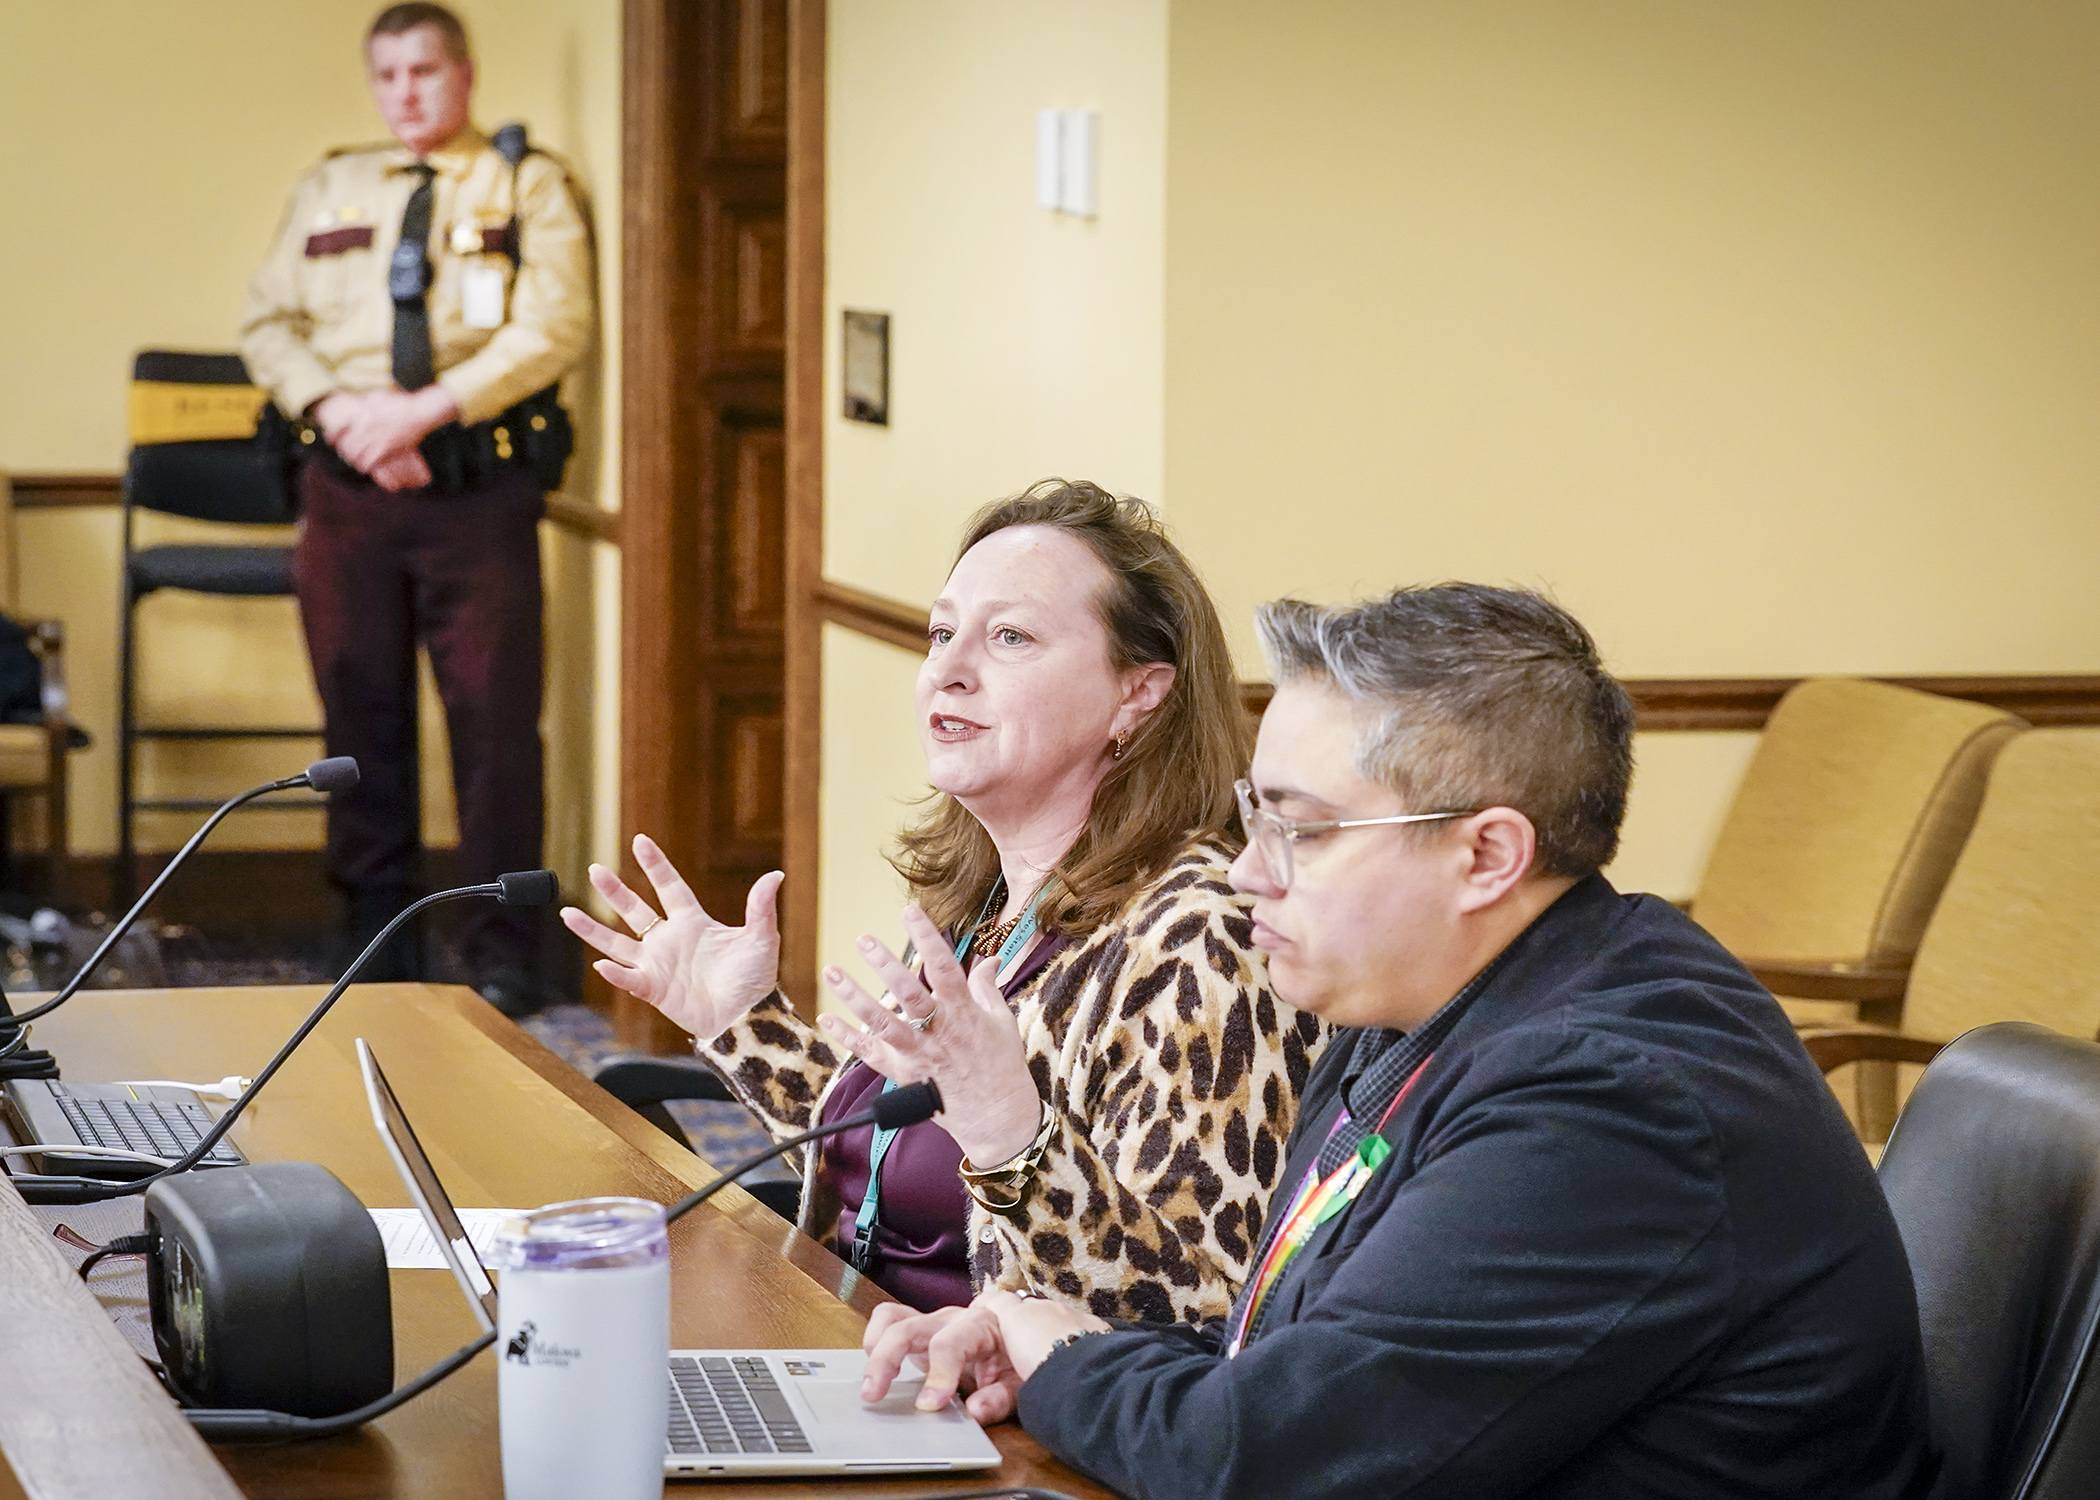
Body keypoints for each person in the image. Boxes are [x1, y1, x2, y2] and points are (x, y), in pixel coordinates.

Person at [860, 584, 1939, 1500]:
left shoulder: (1612, 1105)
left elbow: (1256, 1464)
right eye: (1254, 817)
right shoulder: (1426, 1003)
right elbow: (1295, 1358)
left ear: (1487, 857)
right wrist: (1046, 1336)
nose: (1247, 871)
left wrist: (1058, 1357)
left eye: (1301, 829)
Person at [564, 480, 1327, 1318]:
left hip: (1011, 1425)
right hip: (861, 1343)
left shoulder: (1197, 941)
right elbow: (899, 1178)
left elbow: (1198, 1305)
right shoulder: (995, 901)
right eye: (941, 632)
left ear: (1137, 693)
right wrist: (742, 1022)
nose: (949, 672)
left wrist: (1015, 1140)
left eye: (1009, 637)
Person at [240, 3, 595, 1014]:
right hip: (347, 493)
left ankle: (501, 951)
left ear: (466, 75)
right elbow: (267, 323)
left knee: (493, 726)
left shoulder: (528, 185)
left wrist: (422, 414)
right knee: (359, 720)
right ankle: (372, 940)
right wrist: (343, 415)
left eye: (425, 72)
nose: (406, 93)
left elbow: (557, 323)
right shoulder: (331, 185)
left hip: (475, 495)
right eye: (388, 75)